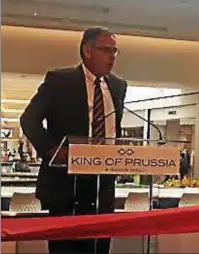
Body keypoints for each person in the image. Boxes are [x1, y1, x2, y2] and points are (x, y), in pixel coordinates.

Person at [20, 27, 127, 254]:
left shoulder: (118, 86)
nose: (112, 57)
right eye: (106, 50)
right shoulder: (59, 81)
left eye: (115, 51)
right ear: (87, 51)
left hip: (102, 187)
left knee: (99, 247)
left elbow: (112, 129)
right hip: (66, 186)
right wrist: (52, 150)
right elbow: (29, 120)